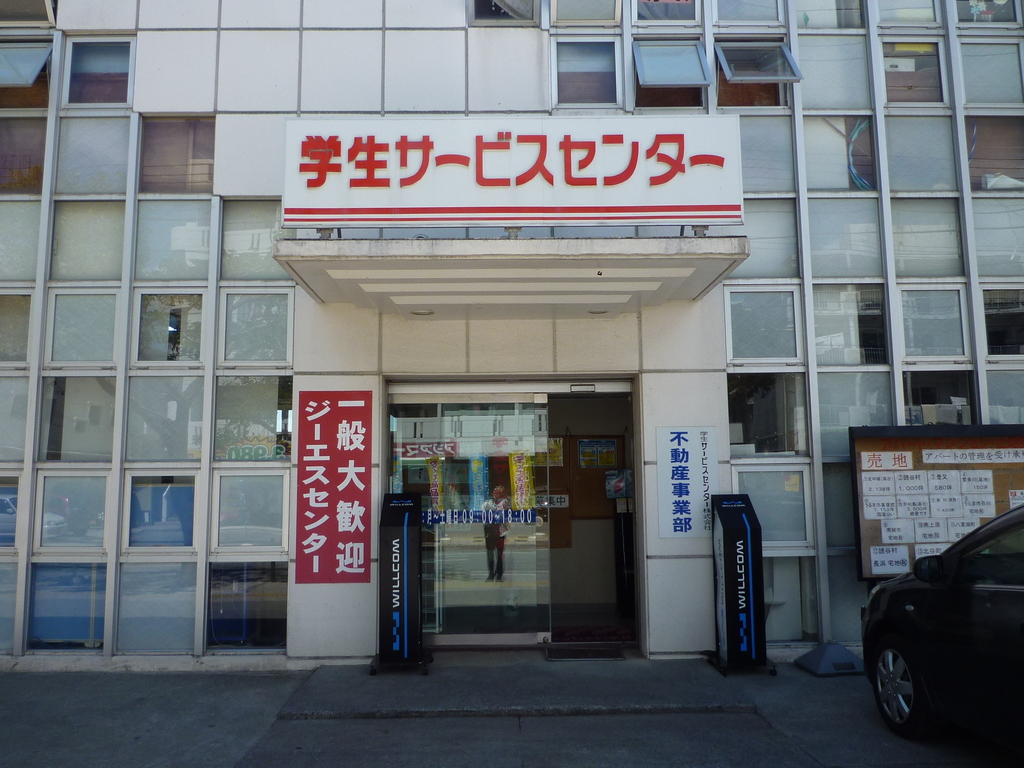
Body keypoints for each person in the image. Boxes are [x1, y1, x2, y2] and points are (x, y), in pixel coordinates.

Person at [481, 485, 510, 581]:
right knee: (490, 553)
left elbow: (508, 518)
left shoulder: (505, 504)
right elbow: (482, 516)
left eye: (499, 493)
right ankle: (491, 573)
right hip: (490, 532)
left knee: (499, 554)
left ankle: (499, 574)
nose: (496, 494)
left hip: (501, 532)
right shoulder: (487, 504)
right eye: (495, 492)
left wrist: (507, 534)